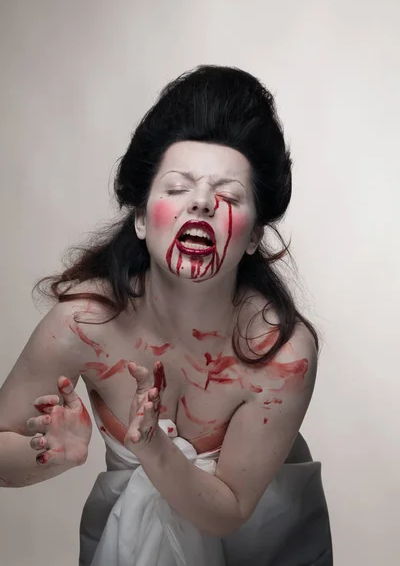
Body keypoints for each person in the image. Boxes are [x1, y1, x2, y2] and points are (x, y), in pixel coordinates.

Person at [0, 65, 333, 565]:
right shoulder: (84, 325)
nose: (200, 201)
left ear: (254, 238)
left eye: (229, 194)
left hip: (267, 544)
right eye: (177, 187)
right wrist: (53, 454)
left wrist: (153, 446)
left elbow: (230, 509)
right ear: (139, 217)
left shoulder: (281, 353)